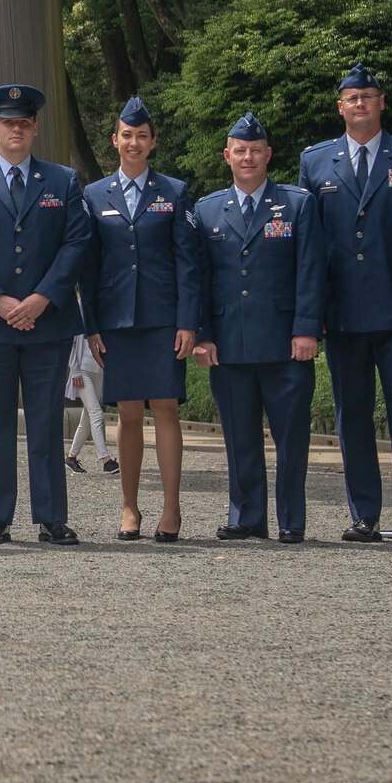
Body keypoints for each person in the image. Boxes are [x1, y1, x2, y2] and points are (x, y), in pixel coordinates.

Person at [298, 63, 392, 548]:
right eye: (351, 97)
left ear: (381, 103)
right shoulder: (316, 162)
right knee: (352, 414)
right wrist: (310, 311)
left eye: (368, 96)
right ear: (339, 106)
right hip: (342, 311)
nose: (360, 103)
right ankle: (364, 515)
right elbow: (309, 244)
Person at [0, 84, 90, 547]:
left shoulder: (63, 180)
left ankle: (50, 517)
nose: (17, 130)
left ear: (35, 127)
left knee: (46, 421)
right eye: (8, 123)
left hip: (46, 322)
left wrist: (42, 297)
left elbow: (76, 242)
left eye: (24, 123)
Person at [192, 112, 325, 543]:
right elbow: (199, 279)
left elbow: (311, 271)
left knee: (291, 439)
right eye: (240, 150)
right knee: (239, 435)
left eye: (255, 150)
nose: (248, 157)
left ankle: (291, 520)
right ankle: (247, 516)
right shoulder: (207, 208)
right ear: (226, 156)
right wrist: (203, 335)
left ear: (268, 154)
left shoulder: (298, 203)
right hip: (229, 343)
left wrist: (307, 329)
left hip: (287, 341)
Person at [79, 96, 201, 541]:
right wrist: (90, 325)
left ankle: (172, 509)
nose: (134, 142)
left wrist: (189, 322)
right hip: (116, 319)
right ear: (115, 140)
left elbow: (188, 262)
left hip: (163, 316)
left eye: (142, 136)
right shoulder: (93, 195)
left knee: (165, 407)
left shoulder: (174, 191)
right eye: (126, 135)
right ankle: (129, 508)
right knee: (128, 412)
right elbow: (87, 267)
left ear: (153, 143)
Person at [63, 334, 115, 475]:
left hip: (99, 370)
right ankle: (106, 460)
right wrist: (74, 370)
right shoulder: (81, 314)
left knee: (87, 417)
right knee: (96, 413)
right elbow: (70, 343)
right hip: (83, 370)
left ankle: (71, 457)